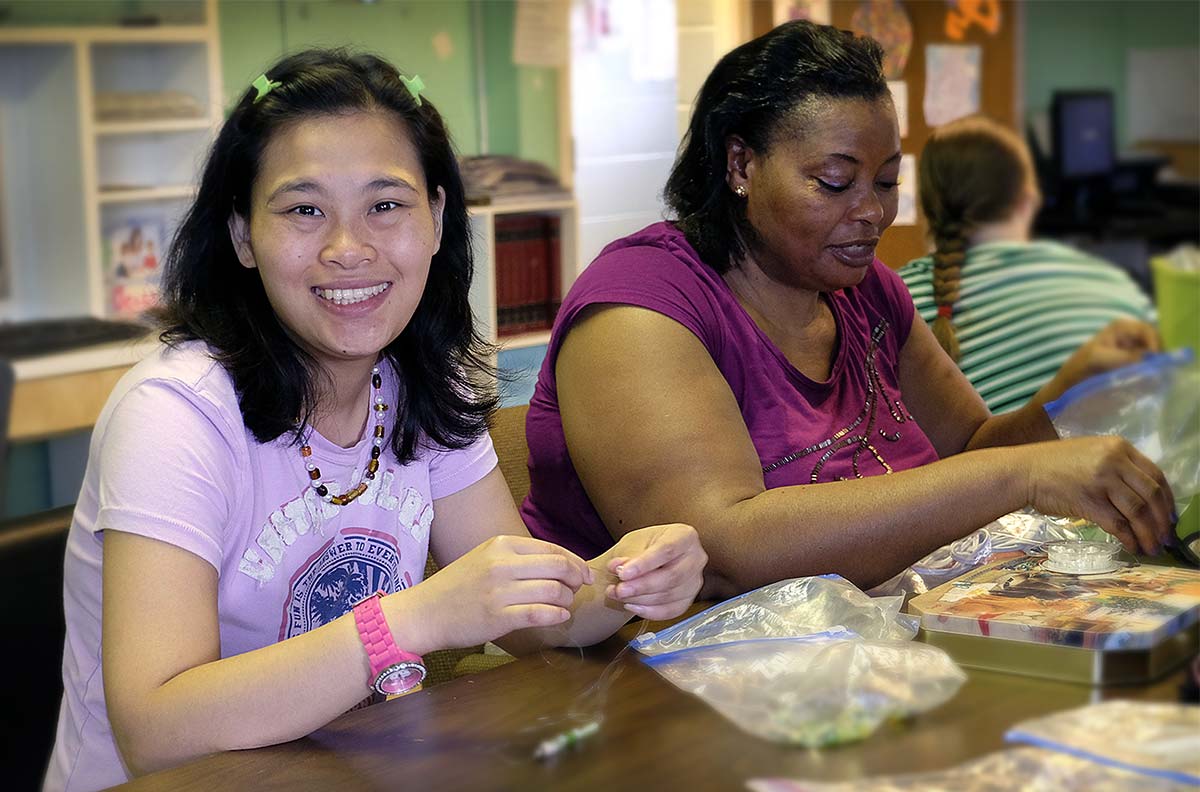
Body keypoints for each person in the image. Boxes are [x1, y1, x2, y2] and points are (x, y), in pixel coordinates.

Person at [46, 50, 705, 792]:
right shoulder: (175, 415)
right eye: (303, 210)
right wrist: (411, 621)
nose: (347, 248)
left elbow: (530, 619)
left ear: (436, 220)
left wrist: (618, 582)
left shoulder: (420, 382)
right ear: (240, 235)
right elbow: (157, 733)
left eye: (385, 205)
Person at [520, 21, 1173, 602]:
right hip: (642, 689)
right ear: (741, 164)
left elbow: (969, 451)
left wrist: (1075, 394)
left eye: (887, 181)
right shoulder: (641, 307)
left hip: (851, 650)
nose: (873, 211)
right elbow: (720, 548)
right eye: (835, 182)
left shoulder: (866, 293)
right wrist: (1021, 475)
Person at [898, 114, 1155, 415]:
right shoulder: (1112, 282)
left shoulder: (891, 303)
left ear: (928, 207)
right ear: (1028, 197)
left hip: (989, 462)